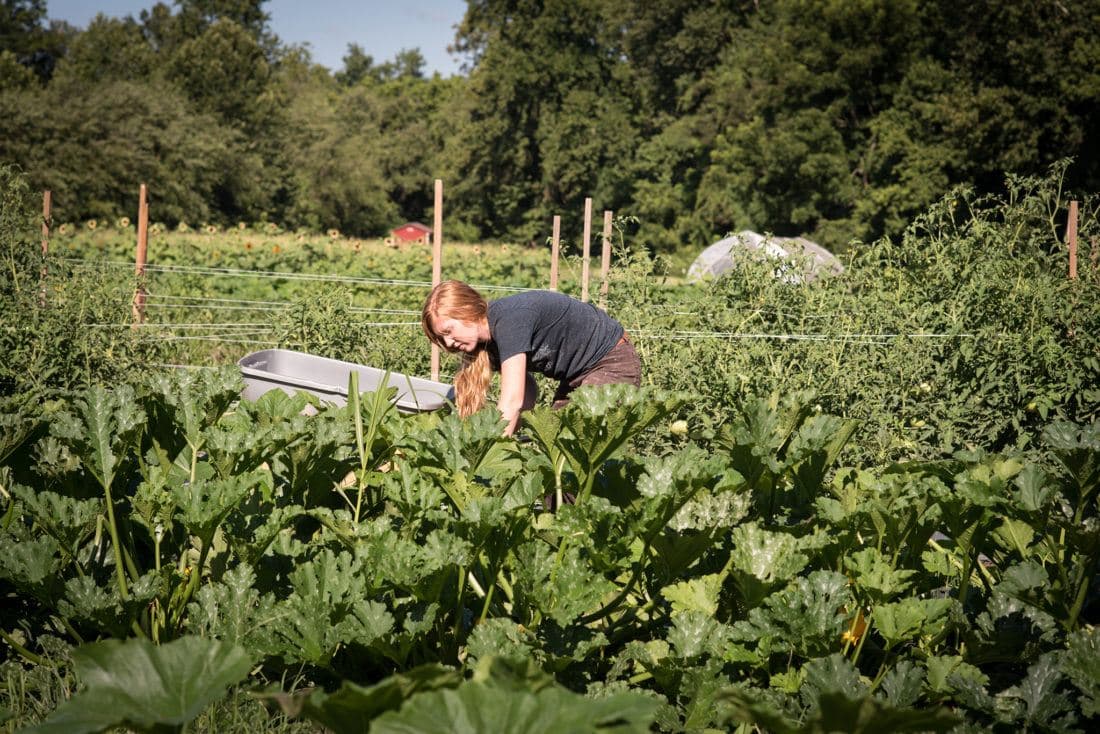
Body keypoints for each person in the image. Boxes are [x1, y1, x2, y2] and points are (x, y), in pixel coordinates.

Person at [421, 280, 641, 436]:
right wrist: (511, 437)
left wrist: (491, 454)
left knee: (573, 445)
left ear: (467, 311)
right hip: (579, 376)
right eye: (441, 338)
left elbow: (512, 400)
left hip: (611, 361)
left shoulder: (509, 320)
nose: (448, 343)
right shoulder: (489, 344)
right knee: (555, 448)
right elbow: (526, 391)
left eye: (448, 331)